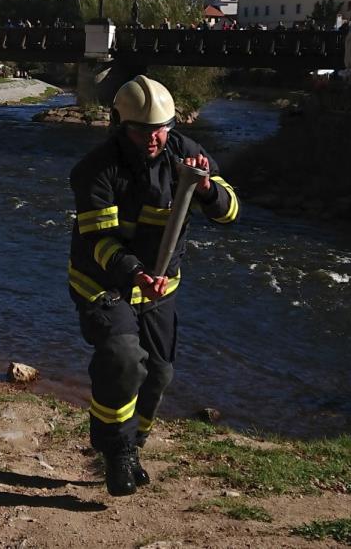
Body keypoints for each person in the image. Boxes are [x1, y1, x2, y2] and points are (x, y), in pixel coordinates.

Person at [68, 75, 239, 497]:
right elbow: (97, 243)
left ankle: (135, 444)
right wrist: (134, 272)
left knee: (159, 373)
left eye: (162, 127)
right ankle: (116, 450)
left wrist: (206, 189)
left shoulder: (186, 152)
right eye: (143, 129)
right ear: (120, 124)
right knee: (123, 358)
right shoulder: (96, 169)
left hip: (161, 287)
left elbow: (230, 211)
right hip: (105, 282)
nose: (154, 137)